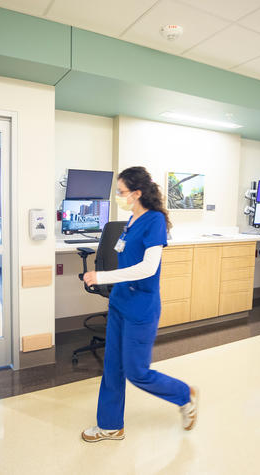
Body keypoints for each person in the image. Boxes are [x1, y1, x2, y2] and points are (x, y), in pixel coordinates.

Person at [80, 166, 198, 443]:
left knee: (137, 372)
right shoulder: (131, 220)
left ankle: (184, 394)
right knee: (112, 368)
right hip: (121, 303)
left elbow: (147, 268)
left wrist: (102, 276)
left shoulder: (154, 221)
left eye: (121, 192)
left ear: (137, 193)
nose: (119, 197)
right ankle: (110, 425)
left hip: (140, 309)